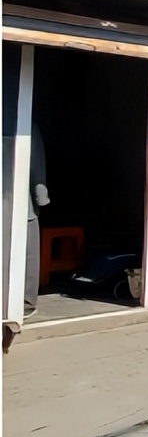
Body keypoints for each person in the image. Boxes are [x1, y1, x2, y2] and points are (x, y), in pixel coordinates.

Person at [25, 122, 48, 318]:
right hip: (20, 205)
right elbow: (36, 164)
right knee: (28, 252)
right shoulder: (25, 125)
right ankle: (26, 302)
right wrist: (41, 198)